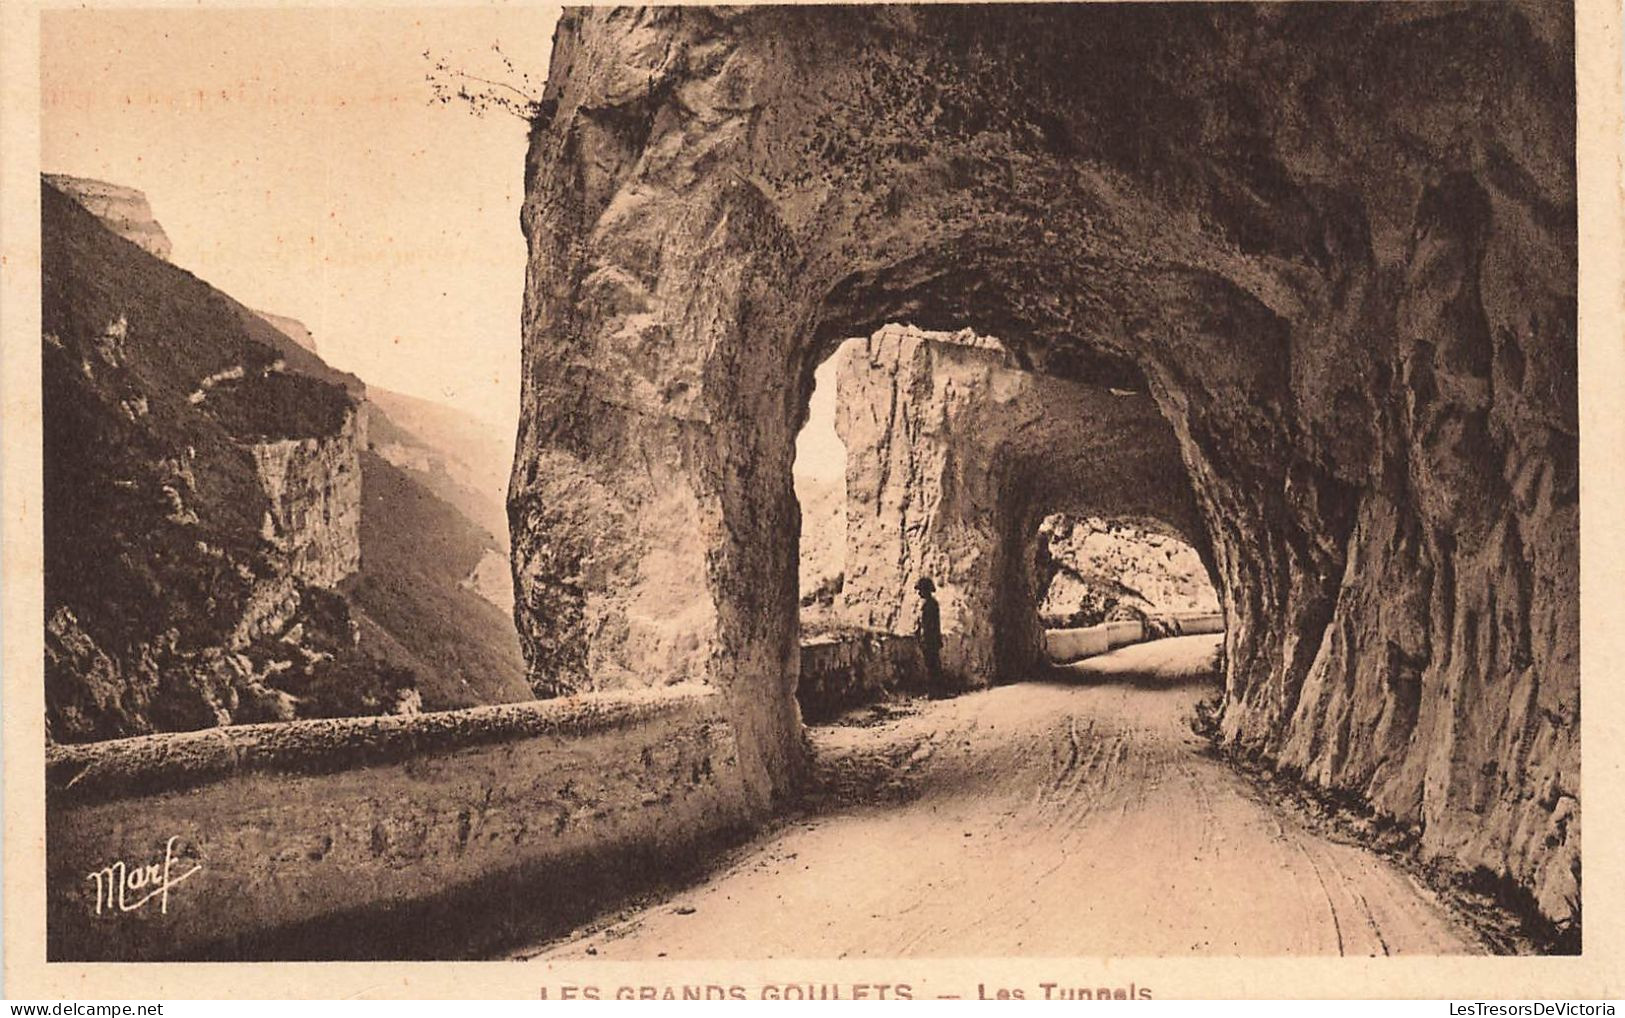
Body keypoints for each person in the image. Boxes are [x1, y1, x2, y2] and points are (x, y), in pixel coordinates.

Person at [915, 576, 944, 696]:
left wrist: (921, 636)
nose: (919, 593)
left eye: (921, 590)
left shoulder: (928, 605)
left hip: (929, 640)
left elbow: (927, 625)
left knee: (932, 666)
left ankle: (935, 692)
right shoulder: (932, 603)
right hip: (932, 639)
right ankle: (936, 691)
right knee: (933, 665)